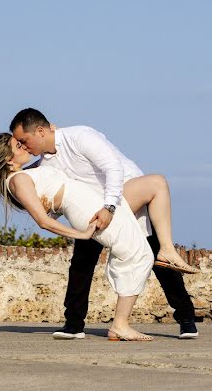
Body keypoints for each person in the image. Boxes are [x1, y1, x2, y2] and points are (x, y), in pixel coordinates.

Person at [10, 108, 201, 340]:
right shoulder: (45, 166)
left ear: (40, 131)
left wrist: (109, 207)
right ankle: (73, 324)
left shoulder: (80, 136)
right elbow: (60, 197)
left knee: (155, 255)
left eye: (24, 140)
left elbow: (113, 168)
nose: (23, 146)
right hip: (92, 209)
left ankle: (186, 318)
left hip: (125, 195)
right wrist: (48, 211)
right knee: (82, 261)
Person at [0, 133, 156, 341]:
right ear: (7, 158)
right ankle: (120, 325)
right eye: (17, 145)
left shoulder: (25, 174)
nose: (23, 146)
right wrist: (82, 234)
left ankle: (121, 324)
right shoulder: (18, 180)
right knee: (138, 254)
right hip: (84, 208)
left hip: (91, 201)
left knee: (138, 252)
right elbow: (43, 221)